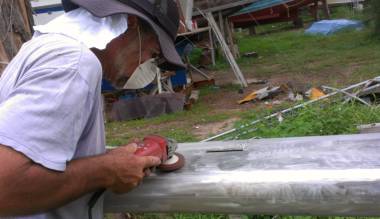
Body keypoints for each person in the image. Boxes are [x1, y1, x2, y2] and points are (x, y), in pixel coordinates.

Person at [0, 0, 185, 218]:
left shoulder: (43, 47)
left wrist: (106, 160)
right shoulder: (73, 64)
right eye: (153, 54)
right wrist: (105, 171)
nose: (148, 64)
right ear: (132, 23)